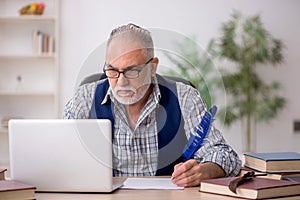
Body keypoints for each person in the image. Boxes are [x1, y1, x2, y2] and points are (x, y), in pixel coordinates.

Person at [63, 23, 241, 187]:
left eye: (132, 70)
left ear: (153, 67)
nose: (121, 81)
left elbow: (224, 155)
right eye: (112, 70)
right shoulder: (85, 98)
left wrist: (204, 171)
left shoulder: (184, 97)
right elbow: (61, 152)